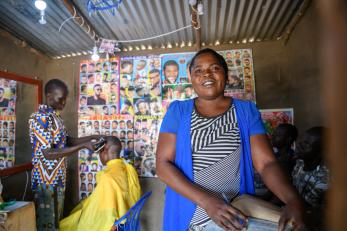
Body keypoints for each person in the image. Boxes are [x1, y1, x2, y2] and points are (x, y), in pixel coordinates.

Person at [156, 48, 306, 231]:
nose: (207, 74)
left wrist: (292, 200)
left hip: (235, 209)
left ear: (226, 75)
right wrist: (208, 202)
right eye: (198, 70)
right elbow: (163, 165)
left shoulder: (246, 111)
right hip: (192, 213)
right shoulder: (178, 111)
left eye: (214, 68)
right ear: (191, 79)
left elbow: (266, 164)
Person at [29, 79, 100, 230]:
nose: (64, 103)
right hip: (46, 182)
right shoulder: (39, 118)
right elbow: (48, 153)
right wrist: (83, 146)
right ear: (48, 97)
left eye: (65, 99)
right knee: (47, 224)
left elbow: (67, 141)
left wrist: (91, 137)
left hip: (57, 179)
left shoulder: (56, 118)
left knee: (56, 221)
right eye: (60, 98)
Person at [59, 136, 141, 231]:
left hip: (113, 224)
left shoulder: (108, 177)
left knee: (65, 225)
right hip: (126, 220)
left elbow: (106, 217)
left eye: (99, 152)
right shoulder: (127, 168)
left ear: (104, 152)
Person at [292, 127, 329, 208]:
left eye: (306, 144)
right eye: (300, 140)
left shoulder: (324, 179)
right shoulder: (300, 162)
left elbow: (304, 205)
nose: (298, 145)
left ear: (320, 153)